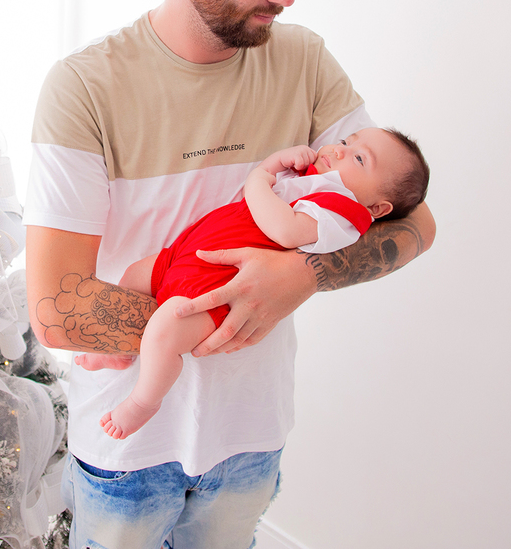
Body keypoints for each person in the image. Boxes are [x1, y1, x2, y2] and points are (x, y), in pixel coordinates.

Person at [25, 0, 436, 549]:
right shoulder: (85, 88)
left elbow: (414, 222)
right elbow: (57, 311)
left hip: (250, 442)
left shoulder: (303, 60)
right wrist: (218, 314)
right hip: (126, 454)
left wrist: (300, 277)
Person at [77, 128, 430, 440]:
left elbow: (286, 229)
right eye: (344, 141)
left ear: (379, 208)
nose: (337, 150)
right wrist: (278, 162)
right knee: (134, 275)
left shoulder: (343, 212)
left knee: (164, 332)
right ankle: (119, 351)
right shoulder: (311, 178)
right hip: (190, 253)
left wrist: (258, 179)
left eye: (357, 158)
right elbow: (276, 180)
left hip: (217, 282)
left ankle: (143, 401)